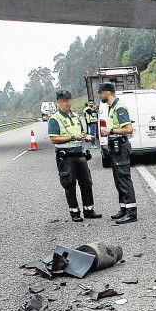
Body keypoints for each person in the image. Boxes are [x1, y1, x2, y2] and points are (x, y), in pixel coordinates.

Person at [47, 90, 101, 222]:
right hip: (65, 157)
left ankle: (89, 210)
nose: (67, 103)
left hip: (80, 154)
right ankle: (75, 212)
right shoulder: (55, 119)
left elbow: (81, 133)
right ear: (58, 102)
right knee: (69, 184)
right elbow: (54, 139)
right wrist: (72, 137)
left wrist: (86, 137)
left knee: (86, 183)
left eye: (69, 100)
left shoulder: (76, 116)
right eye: (64, 100)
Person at [98, 82, 138, 224]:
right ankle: (123, 209)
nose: (99, 95)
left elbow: (128, 129)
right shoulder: (112, 107)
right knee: (118, 179)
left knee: (124, 179)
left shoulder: (119, 107)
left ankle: (131, 213)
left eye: (100, 92)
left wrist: (111, 131)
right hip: (115, 148)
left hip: (120, 146)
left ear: (107, 93)